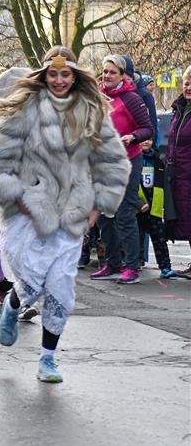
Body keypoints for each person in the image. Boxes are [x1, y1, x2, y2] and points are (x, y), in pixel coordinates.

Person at [0, 46, 130, 383]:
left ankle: (48, 359)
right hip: (27, 214)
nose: (60, 80)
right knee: (31, 281)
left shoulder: (91, 112)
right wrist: (17, 199)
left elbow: (114, 162)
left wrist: (97, 208)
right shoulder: (24, 111)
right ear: (44, 76)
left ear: (74, 76)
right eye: (53, 74)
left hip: (71, 214)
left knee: (61, 287)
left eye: (66, 74)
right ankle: (13, 305)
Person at [91, 55, 153, 284]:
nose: (106, 76)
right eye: (105, 71)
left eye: (112, 72)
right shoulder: (98, 96)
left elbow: (147, 129)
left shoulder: (132, 98)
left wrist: (133, 137)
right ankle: (112, 262)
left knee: (124, 213)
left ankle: (131, 267)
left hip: (128, 160)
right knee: (104, 216)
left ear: (123, 76)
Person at [136, 139, 177, 278]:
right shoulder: (133, 160)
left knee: (159, 239)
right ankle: (134, 264)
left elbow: (164, 184)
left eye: (148, 139)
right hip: (138, 207)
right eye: (142, 140)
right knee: (136, 238)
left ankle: (165, 267)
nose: (145, 142)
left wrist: (166, 207)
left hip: (155, 207)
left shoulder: (158, 160)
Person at [165, 65, 191, 278]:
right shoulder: (179, 109)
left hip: (188, 173)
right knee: (186, 218)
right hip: (179, 174)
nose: (188, 87)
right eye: (186, 83)